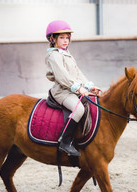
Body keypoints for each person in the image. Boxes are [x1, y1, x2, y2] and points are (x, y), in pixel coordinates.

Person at [45, 20, 101, 157]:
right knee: (79, 109)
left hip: (72, 89)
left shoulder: (66, 53)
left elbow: (77, 73)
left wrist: (89, 86)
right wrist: (78, 89)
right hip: (62, 92)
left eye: (67, 37)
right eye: (61, 38)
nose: (65, 41)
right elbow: (62, 76)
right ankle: (65, 141)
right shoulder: (53, 55)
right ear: (53, 39)